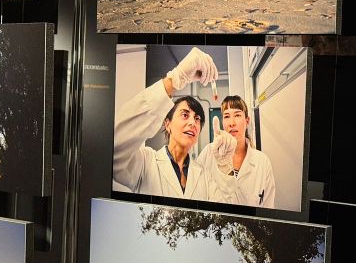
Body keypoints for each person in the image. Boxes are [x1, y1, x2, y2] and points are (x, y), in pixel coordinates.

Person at [114, 47, 236, 200]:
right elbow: (114, 147)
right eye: (185, 115)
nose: (192, 122)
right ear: (167, 124)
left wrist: (225, 167)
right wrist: (175, 79)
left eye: (197, 119)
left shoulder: (204, 175)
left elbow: (224, 208)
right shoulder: (145, 163)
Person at [209, 95, 276, 208]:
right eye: (226, 116)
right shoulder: (208, 153)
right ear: (222, 122)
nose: (232, 123)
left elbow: (268, 208)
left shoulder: (262, 162)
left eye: (237, 115)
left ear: (247, 120)